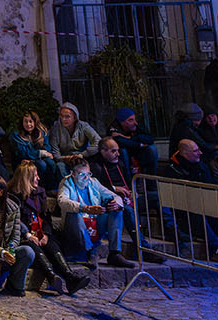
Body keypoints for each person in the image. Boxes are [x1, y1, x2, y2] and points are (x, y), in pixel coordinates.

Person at [6, 161, 89, 296]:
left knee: (51, 244)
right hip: (22, 234)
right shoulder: (12, 196)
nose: (38, 178)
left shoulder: (40, 192)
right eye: (35, 176)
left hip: (39, 230)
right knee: (32, 245)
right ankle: (51, 275)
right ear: (27, 178)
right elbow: (15, 221)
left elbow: (46, 217)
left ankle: (70, 277)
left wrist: (45, 233)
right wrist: (28, 235)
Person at [161, 139, 218, 262]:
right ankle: (215, 249)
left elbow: (210, 186)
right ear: (185, 153)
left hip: (204, 203)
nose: (200, 153)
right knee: (198, 215)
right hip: (184, 211)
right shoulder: (171, 170)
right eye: (195, 151)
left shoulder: (202, 166)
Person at [91, 136, 155, 264]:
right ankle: (143, 249)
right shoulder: (95, 165)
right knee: (127, 211)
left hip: (127, 198)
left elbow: (128, 179)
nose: (118, 154)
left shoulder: (120, 162)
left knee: (157, 198)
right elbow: (95, 187)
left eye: (118, 150)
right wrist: (115, 189)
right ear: (103, 151)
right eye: (113, 151)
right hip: (110, 201)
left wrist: (133, 191)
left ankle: (179, 236)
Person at [57, 156, 128, 268]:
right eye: (82, 174)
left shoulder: (93, 182)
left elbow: (113, 195)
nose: (86, 178)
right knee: (74, 211)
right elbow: (62, 201)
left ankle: (114, 253)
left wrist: (117, 203)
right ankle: (90, 251)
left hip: (94, 222)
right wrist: (85, 208)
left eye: (88, 174)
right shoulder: (66, 182)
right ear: (73, 174)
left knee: (117, 209)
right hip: (76, 226)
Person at [5, 110, 61, 188]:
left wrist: (45, 153)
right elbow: (22, 153)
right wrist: (41, 153)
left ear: (35, 122)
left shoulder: (41, 132)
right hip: (23, 160)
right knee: (41, 164)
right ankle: (39, 187)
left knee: (51, 163)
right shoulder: (16, 135)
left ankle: (51, 188)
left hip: (40, 158)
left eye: (30, 121)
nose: (28, 124)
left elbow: (47, 147)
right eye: (25, 121)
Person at [106, 107, 158, 177]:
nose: (135, 122)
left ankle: (151, 179)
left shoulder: (135, 126)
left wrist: (130, 137)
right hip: (123, 153)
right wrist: (139, 144)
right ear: (122, 122)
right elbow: (121, 142)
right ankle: (128, 180)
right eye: (130, 120)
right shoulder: (113, 128)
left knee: (152, 148)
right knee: (123, 150)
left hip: (135, 150)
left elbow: (150, 138)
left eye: (134, 119)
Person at [51, 103, 101, 167]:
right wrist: (64, 158)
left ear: (75, 117)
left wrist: (84, 154)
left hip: (83, 157)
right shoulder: (55, 129)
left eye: (67, 116)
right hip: (65, 159)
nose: (63, 119)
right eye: (61, 116)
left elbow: (98, 141)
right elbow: (55, 151)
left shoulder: (83, 126)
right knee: (60, 166)